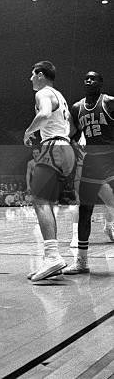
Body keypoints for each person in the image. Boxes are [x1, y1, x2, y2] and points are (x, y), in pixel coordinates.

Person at [24, 60, 75, 282]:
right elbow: (72, 127)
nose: (30, 78)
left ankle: (52, 255)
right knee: (50, 202)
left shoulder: (43, 93)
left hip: (53, 147)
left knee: (40, 200)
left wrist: (28, 131)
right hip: (66, 149)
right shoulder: (60, 96)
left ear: (41, 75)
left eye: (33, 74)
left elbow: (44, 114)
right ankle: (54, 256)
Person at [64, 71, 114, 275]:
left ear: (101, 83)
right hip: (92, 161)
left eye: (93, 78)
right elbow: (73, 133)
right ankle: (82, 262)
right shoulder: (77, 107)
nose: (89, 80)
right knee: (85, 210)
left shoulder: (109, 102)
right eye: (86, 78)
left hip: (111, 157)